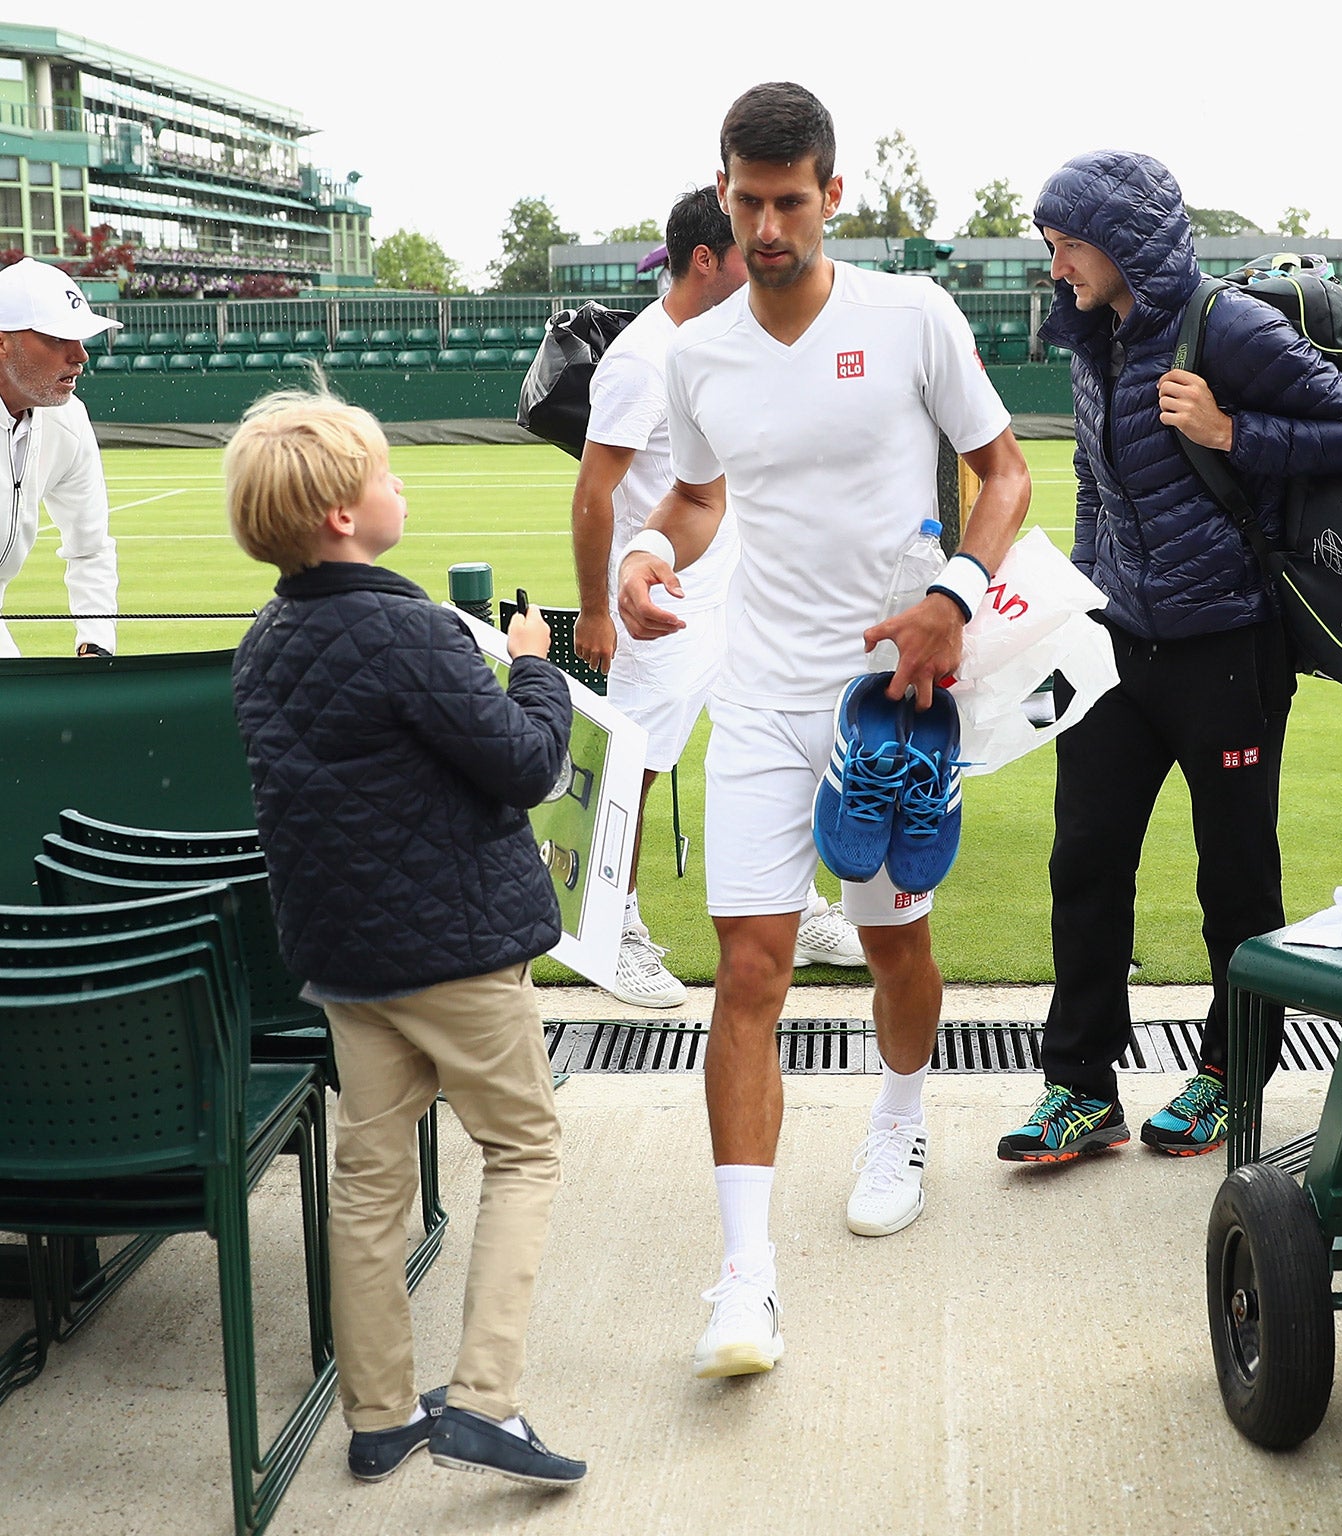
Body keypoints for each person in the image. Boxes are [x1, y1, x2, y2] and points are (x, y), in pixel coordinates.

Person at [614, 82, 1030, 1377]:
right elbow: (693, 499)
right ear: (725, 195)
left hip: (893, 700)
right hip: (760, 694)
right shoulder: (698, 354)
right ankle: (746, 1281)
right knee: (749, 970)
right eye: (749, 202)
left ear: (832, 195)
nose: (770, 224)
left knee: (898, 947)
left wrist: (953, 598)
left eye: (792, 201)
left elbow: (1004, 472)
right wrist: (644, 552)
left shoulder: (912, 316)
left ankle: (901, 1116)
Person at [997, 151, 1342, 1165]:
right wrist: (1084, 600)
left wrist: (1231, 429)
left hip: (1228, 648)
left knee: (1235, 881)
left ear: (1118, 245)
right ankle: (1078, 1090)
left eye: (1064, 248)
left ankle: (1229, 1075)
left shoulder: (1229, 328)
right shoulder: (1093, 340)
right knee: (1082, 863)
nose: (1055, 271)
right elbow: (1092, 485)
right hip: (1115, 653)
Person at [225, 391, 586, 1488]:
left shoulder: (265, 639)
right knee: (525, 1151)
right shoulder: (408, 628)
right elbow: (526, 766)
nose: (400, 484)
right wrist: (535, 664)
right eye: (383, 473)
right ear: (341, 515)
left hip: (346, 962)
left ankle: (379, 1415)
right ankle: (483, 1400)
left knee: (367, 1180)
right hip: (459, 954)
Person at [572, 186, 864, 1009]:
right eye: (742, 243)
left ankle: (799, 909)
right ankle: (615, 931)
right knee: (638, 769)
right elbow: (596, 494)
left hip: (739, 594)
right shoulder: (640, 358)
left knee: (783, 741)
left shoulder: (727, 340)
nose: (763, 252)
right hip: (661, 607)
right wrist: (597, 608)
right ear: (708, 259)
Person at [0, 258, 119, 658]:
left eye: (81, 338)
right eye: (57, 338)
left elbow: (91, 546)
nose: (80, 355)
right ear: (2, 342)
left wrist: (96, 640)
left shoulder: (69, 419)